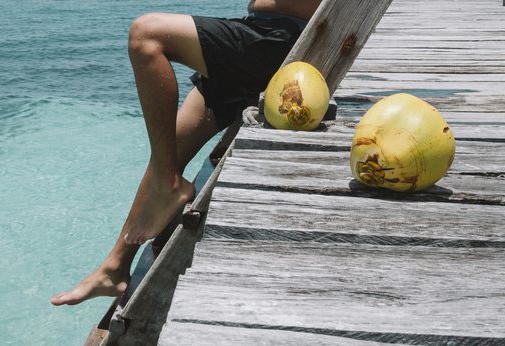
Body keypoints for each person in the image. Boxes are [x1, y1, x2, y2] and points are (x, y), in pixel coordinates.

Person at [51, 0, 321, 306]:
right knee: (167, 152)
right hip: (259, 38)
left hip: (282, 42)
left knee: (146, 34)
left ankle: (169, 188)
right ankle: (114, 268)